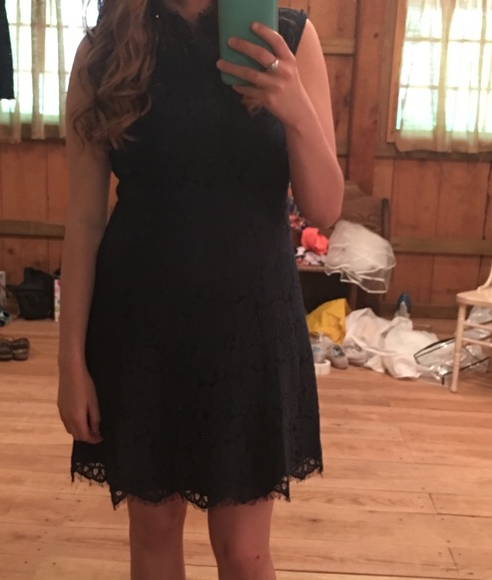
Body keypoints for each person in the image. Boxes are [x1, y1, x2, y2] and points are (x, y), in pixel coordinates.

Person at [57, 0, 344, 578]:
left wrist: (296, 111)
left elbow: (324, 209)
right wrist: (70, 363)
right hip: (139, 329)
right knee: (154, 530)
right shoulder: (104, 49)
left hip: (250, 326)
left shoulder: (288, 36)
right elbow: (84, 220)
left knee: (244, 551)